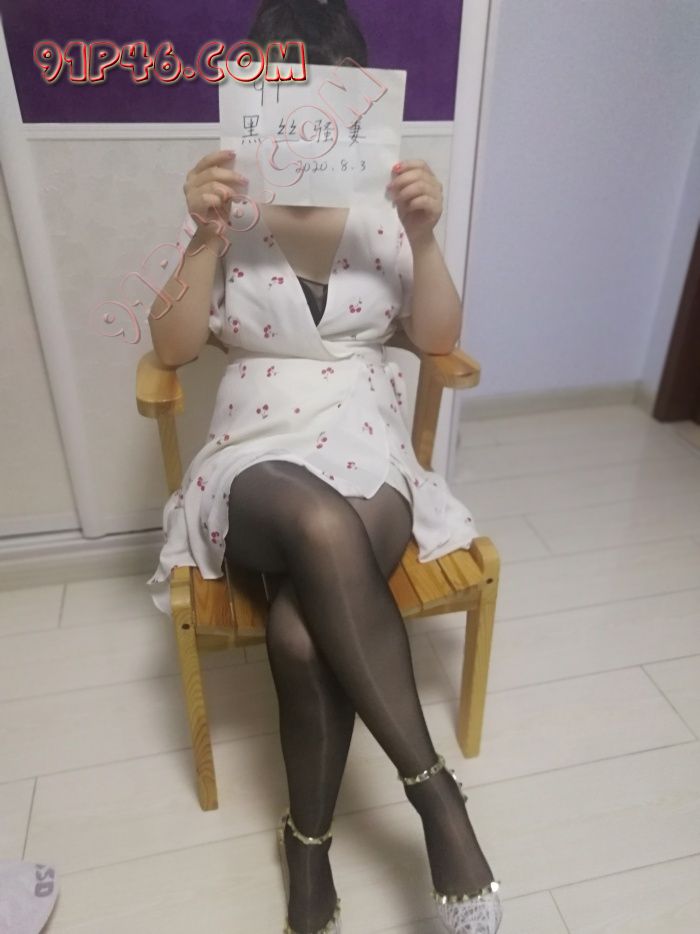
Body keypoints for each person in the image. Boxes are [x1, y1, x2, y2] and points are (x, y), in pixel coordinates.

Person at [146, 2, 503, 932]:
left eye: (317, 82)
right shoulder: (228, 205)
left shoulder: (386, 210)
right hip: (255, 450)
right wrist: (201, 234)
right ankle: (437, 799)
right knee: (311, 520)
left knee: (303, 636)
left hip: (364, 436)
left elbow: (438, 339)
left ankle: (307, 849)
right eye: (274, 79)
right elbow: (173, 349)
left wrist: (425, 235)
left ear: (353, 98)